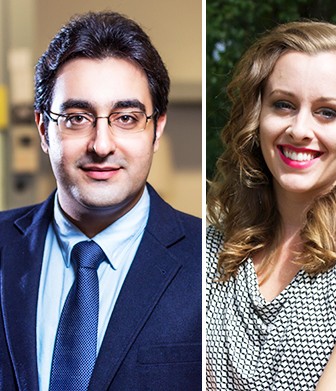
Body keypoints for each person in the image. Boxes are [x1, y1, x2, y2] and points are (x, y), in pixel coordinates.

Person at [205, 21, 336, 390]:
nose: (300, 129)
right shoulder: (213, 244)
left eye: (327, 112)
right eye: (283, 105)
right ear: (258, 115)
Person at [0, 12, 200, 390]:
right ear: (44, 130)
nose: (102, 144)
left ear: (157, 129)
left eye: (126, 118)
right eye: (77, 118)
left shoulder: (208, 259)